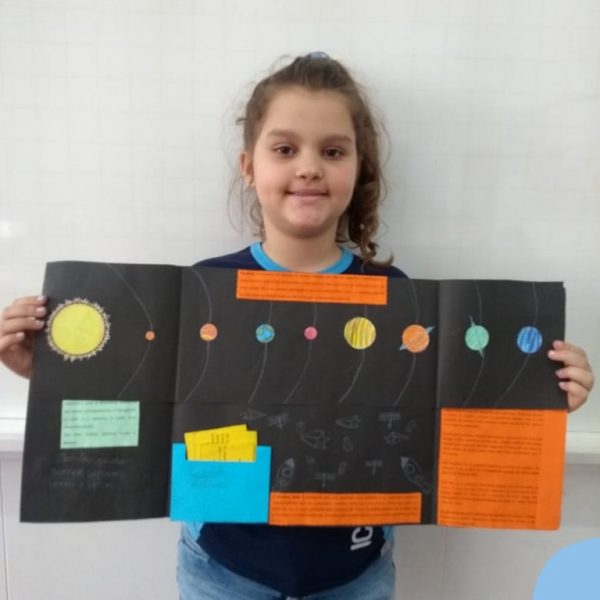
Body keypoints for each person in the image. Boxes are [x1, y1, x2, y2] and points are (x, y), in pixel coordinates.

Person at [0, 54, 595, 600]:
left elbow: (434, 420)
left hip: (355, 574)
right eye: (285, 149)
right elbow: (154, 408)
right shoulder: (205, 288)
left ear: (357, 169)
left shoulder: (398, 297)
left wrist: (536, 399)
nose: (309, 167)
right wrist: (52, 372)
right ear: (249, 166)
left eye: (333, 152)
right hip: (224, 571)